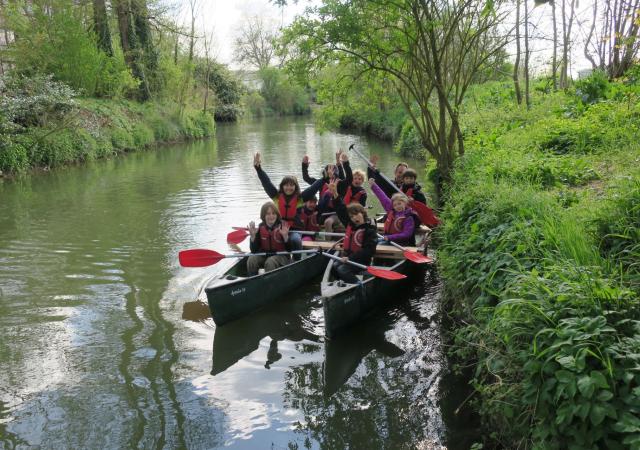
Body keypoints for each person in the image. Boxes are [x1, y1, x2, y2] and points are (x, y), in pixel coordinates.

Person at [254, 152, 323, 251]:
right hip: (278, 227)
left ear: (295, 187)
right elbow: (266, 182)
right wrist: (258, 169)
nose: (289, 188)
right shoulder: (276, 197)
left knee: (295, 239)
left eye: (291, 185)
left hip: (295, 229)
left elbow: (313, 188)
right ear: (282, 186)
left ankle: (297, 259)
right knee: (268, 236)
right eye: (286, 185)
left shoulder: (300, 199)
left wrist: (325, 178)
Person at [327, 181, 378, 284]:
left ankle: (359, 285)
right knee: (334, 266)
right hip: (348, 258)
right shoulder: (351, 224)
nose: (354, 218)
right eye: (351, 216)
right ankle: (342, 285)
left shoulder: (370, 229)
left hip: (361, 261)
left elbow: (369, 251)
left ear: (363, 213)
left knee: (342, 269)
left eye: (356, 214)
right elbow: (341, 210)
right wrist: (335, 193)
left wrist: (350, 258)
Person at [247, 202, 292, 276]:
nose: (271, 216)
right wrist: (252, 237)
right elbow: (254, 250)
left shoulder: (283, 226)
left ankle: (270, 284)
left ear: (277, 215)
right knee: (251, 259)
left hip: (282, 256)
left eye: (273, 213)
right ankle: (252, 280)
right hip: (265, 254)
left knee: (270, 262)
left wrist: (285, 237)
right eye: (268, 214)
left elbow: (289, 250)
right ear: (263, 216)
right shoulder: (260, 227)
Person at [369, 178, 418, 246]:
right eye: (395, 205)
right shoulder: (392, 211)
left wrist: (390, 237)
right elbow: (383, 197)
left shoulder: (408, 217)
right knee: (370, 242)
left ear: (405, 203)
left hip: (400, 243)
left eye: (399, 204)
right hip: (389, 240)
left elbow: (407, 234)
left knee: (377, 245)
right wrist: (373, 186)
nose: (397, 206)